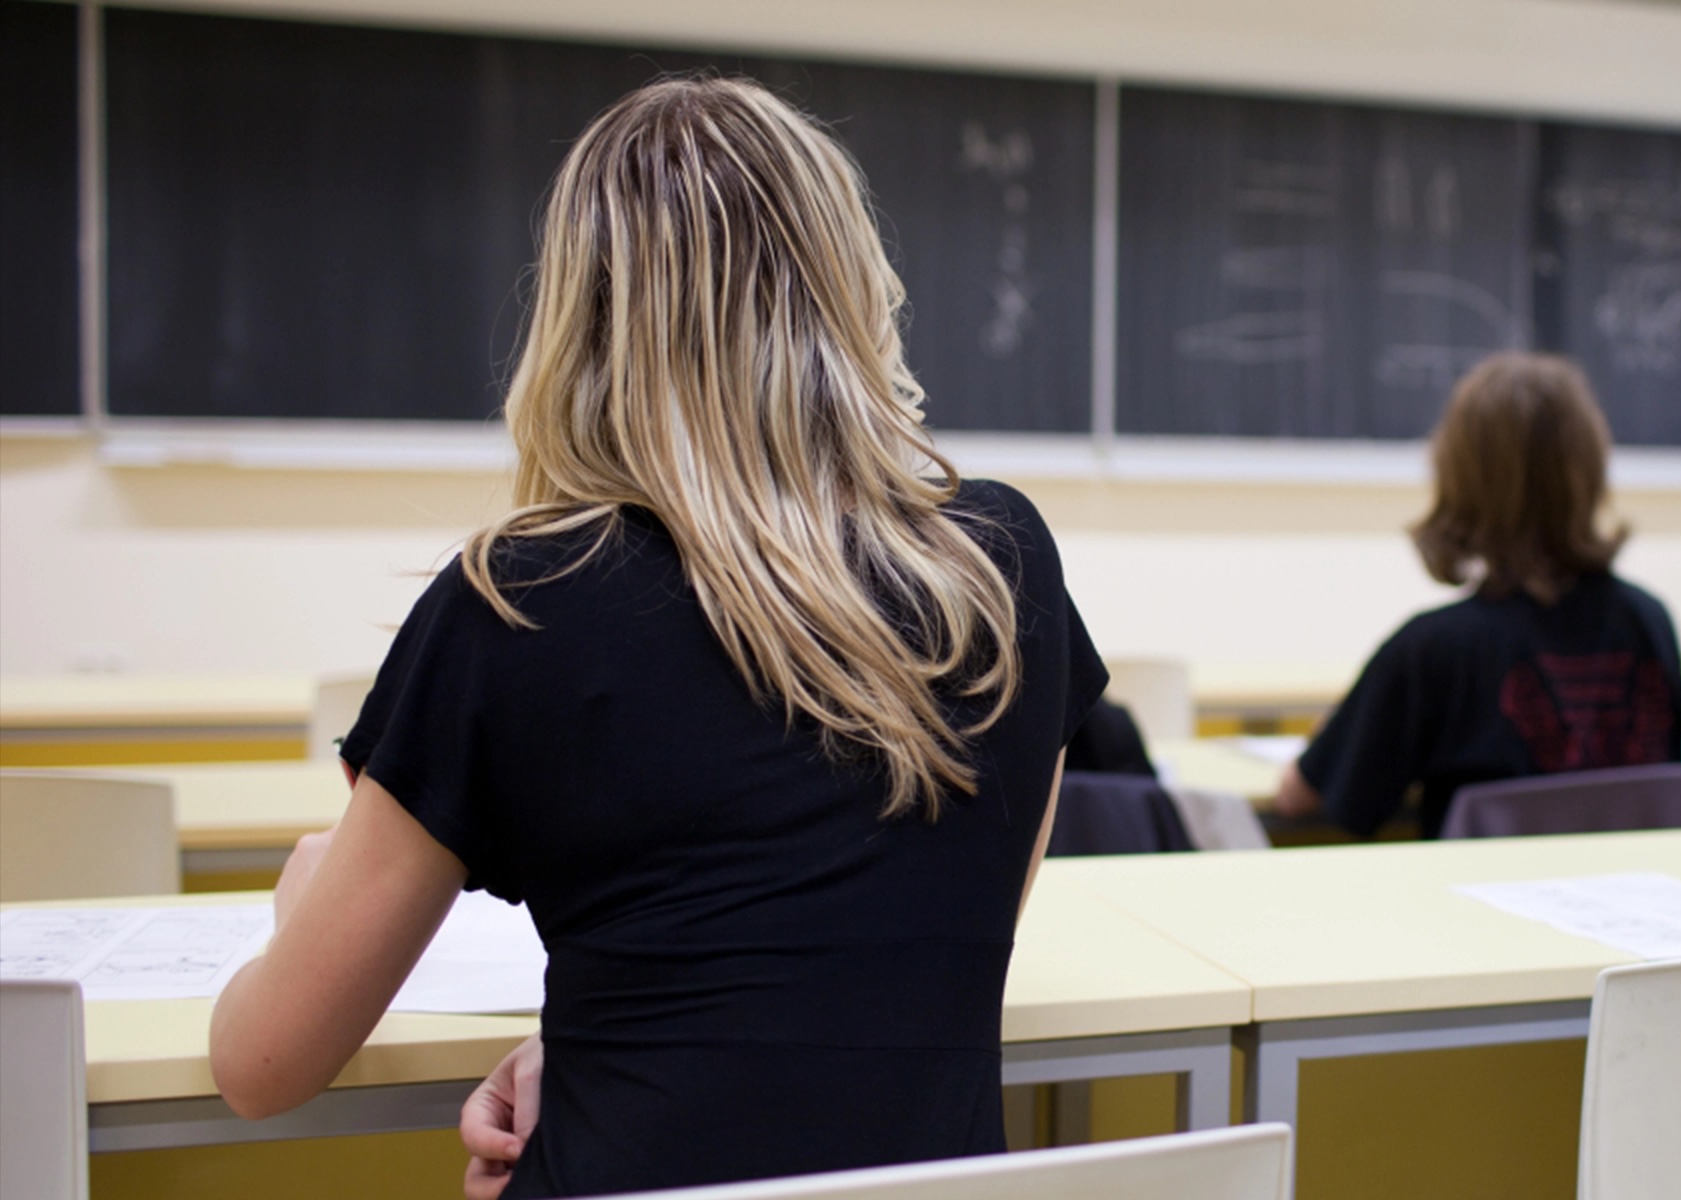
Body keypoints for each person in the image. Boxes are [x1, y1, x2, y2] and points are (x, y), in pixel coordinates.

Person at [207, 77, 1107, 1199]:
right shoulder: (998, 566)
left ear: (585, 319)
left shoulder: (520, 600)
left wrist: (303, 907)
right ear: (852, 284)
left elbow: (260, 1069)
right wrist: (605, 1050)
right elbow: (897, 962)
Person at [1272, 352, 1681, 838]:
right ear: (1592, 467)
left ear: (1458, 476)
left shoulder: (1431, 650)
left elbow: (1299, 797)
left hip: (1473, 907)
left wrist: (1339, 735)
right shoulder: (1649, 622)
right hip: (1629, 899)